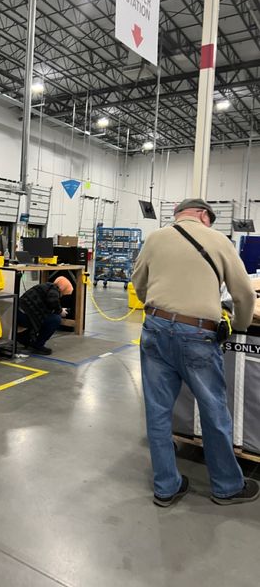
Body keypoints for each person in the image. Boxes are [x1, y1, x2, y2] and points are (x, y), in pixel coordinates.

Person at [132, 198, 257, 507]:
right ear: (203, 215)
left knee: (158, 411)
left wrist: (160, 308)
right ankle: (226, 486)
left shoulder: (156, 237)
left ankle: (166, 486)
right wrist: (239, 327)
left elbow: (137, 283)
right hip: (198, 334)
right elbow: (243, 294)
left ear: (177, 216)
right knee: (214, 409)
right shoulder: (218, 240)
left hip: (155, 329)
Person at [17, 276, 73, 355]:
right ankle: (38, 346)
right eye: (63, 294)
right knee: (56, 319)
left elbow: (45, 304)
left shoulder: (46, 286)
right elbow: (52, 301)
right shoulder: (54, 289)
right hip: (26, 317)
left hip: (18, 313)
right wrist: (60, 311)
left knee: (45, 317)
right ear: (63, 289)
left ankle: (23, 338)